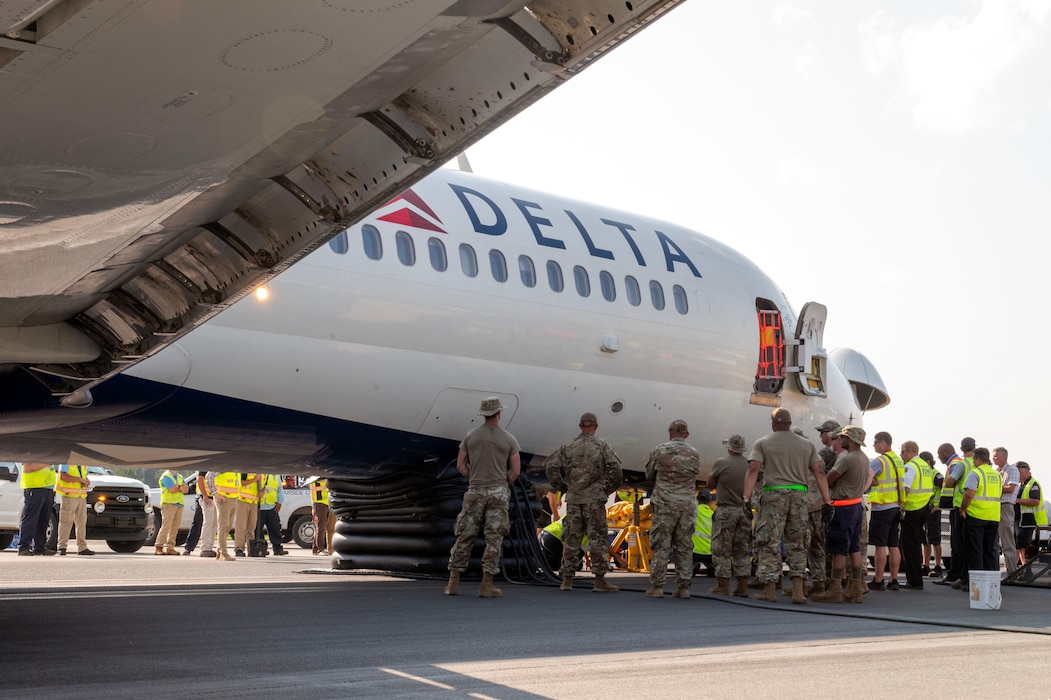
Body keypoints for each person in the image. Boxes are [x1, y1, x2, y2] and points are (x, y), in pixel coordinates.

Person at [743, 408, 830, 604]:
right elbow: (819, 472)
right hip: (799, 495)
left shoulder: (763, 442)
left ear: (773, 424)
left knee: (769, 542)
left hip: (774, 495)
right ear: (790, 423)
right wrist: (827, 501)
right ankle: (798, 592)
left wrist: (746, 497)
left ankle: (769, 590)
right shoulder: (806, 444)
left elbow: (753, 469)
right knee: (797, 542)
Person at [445, 396, 521, 598]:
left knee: (465, 534)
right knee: (494, 538)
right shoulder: (509, 439)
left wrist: (474, 478)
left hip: (475, 491)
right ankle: (486, 584)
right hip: (498, 493)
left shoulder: (470, 436)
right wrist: (502, 482)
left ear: (483, 414)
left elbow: (460, 465)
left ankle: (453, 583)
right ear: (499, 414)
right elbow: (515, 471)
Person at [545, 412, 623, 592]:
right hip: (594, 499)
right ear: (595, 427)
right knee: (597, 538)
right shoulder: (602, 446)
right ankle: (599, 580)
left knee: (572, 538)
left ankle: (566, 579)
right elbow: (617, 470)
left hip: (573, 499)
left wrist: (562, 486)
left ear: (580, 426)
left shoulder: (568, 446)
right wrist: (608, 489)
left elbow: (551, 466)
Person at [812, 425, 873, 603]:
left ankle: (835, 588)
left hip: (842, 507)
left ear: (851, 439)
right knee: (854, 548)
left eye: (843, 437)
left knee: (838, 549)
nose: (839, 439)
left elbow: (828, 479)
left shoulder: (846, 458)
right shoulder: (863, 458)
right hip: (855, 506)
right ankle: (855, 588)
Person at [644, 419, 703, 599]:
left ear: (670, 432)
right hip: (686, 505)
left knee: (661, 545)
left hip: (664, 504)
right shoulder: (694, 453)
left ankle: (658, 586)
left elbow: (649, 475)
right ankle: (683, 587)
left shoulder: (659, 450)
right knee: (684, 545)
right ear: (686, 434)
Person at [707, 434, 752, 597]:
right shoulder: (749, 465)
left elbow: (709, 482)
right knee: (742, 549)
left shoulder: (722, 462)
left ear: (729, 448)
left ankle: (723, 585)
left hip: (726, 510)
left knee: (722, 549)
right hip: (744, 511)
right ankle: (743, 587)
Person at [957, 447, 1002, 590]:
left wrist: (963, 509)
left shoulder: (975, 473)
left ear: (977, 459)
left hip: (976, 516)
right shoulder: (997, 475)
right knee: (991, 550)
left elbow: (969, 494)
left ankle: (976, 585)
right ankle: (992, 583)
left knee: (975, 550)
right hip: (993, 516)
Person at [867, 432, 904, 591]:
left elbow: (866, 477)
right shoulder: (898, 460)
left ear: (883, 443)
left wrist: (871, 481)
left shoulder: (879, 461)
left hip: (882, 507)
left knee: (880, 545)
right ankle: (893, 580)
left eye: (875, 442)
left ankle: (879, 579)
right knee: (894, 545)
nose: (874, 445)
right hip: (896, 506)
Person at [937, 437, 975, 585]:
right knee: (961, 543)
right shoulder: (966, 463)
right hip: (964, 505)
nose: (938, 457)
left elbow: (950, 483)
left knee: (958, 543)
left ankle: (959, 575)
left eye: (940, 453)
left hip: (959, 506)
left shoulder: (957, 464)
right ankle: (956, 574)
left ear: (947, 452)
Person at [899, 441, 934, 589]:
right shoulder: (925, 466)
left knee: (909, 546)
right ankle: (916, 578)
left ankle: (913, 580)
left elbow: (905, 489)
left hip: (912, 509)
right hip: (924, 508)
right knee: (916, 544)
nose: (901, 455)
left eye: (902, 452)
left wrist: (901, 507)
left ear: (911, 452)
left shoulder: (910, 466)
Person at [18, 463, 56, 556]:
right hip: (34, 488)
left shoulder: (47, 454)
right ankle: (24, 547)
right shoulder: (32, 452)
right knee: (31, 519)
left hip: (48, 488)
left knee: (43, 520)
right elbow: (28, 467)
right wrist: (46, 464)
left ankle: (40, 547)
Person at [992, 447, 1020, 575]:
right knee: (993, 541)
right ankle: (994, 572)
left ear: (1004, 456)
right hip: (994, 506)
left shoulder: (1012, 469)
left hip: (1005, 506)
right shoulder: (995, 471)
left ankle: (1012, 573)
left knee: (1007, 540)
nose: (994, 458)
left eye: (996, 456)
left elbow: (1010, 488)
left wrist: (994, 488)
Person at [55, 464, 93, 556]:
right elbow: (63, 476)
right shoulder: (66, 462)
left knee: (81, 522)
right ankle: (62, 547)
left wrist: (86, 481)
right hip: (69, 496)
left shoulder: (83, 463)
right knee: (66, 521)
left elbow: (83, 476)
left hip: (81, 496)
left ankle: (82, 547)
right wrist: (79, 479)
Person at [1016, 462, 1045, 564]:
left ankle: (1027, 571)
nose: (1017, 475)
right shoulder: (1022, 485)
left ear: (1026, 471)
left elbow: (1035, 501)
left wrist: (1017, 500)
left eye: (1018, 471)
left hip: (1030, 520)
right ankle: (1019, 570)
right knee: (1019, 545)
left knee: (1024, 546)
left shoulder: (1033, 484)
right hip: (1022, 520)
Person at [920, 450, 944, 577]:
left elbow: (945, 489)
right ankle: (926, 565)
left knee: (935, 539)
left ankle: (938, 566)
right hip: (923, 509)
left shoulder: (936, 474)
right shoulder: (924, 473)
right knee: (925, 540)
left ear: (928, 462)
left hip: (933, 510)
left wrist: (938, 506)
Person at [156, 469, 187, 556]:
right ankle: (159, 546)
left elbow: (186, 489)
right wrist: (181, 487)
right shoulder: (166, 476)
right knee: (166, 526)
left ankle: (170, 547)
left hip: (179, 504)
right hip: (168, 504)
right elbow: (172, 489)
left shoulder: (180, 476)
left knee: (175, 527)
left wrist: (179, 487)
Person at [212, 471, 241, 561]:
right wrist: (216, 494)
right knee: (223, 526)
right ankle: (223, 553)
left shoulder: (236, 468)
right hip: (224, 499)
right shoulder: (222, 466)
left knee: (227, 527)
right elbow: (209, 477)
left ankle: (219, 551)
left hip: (233, 499)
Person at [259, 473, 287, 555]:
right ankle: (262, 548)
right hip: (259, 506)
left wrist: (280, 501)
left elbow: (279, 489)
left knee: (275, 528)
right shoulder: (258, 473)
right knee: (257, 529)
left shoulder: (275, 474)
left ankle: (277, 548)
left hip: (272, 505)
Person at [182, 471, 206, 555]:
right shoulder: (204, 467)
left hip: (210, 496)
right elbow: (200, 480)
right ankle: (189, 547)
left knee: (199, 523)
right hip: (203, 497)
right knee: (198, 523)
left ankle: (189, 547)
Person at [692, 489, 714, 576]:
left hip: (694, 552)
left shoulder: (694, 511)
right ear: (709, 501)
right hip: (711, 553)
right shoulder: (712, 514)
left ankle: (692, 565)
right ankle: (711, 565)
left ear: (697, 499)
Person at [197, 471, 218, 558]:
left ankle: (209, 547)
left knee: (214, 524)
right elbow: (200, 479)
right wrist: (204, 496)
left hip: (215, 498)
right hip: (207, 498)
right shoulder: (206, 467)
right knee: (208, 522)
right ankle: (205, 548)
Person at [310, 478, 330, 555]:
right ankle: (320, 549)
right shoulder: (317, 477)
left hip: (323, 502)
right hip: (320, 503)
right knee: (321, 527)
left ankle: (315, 548)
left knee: (319, 527)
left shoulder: (318, 476)